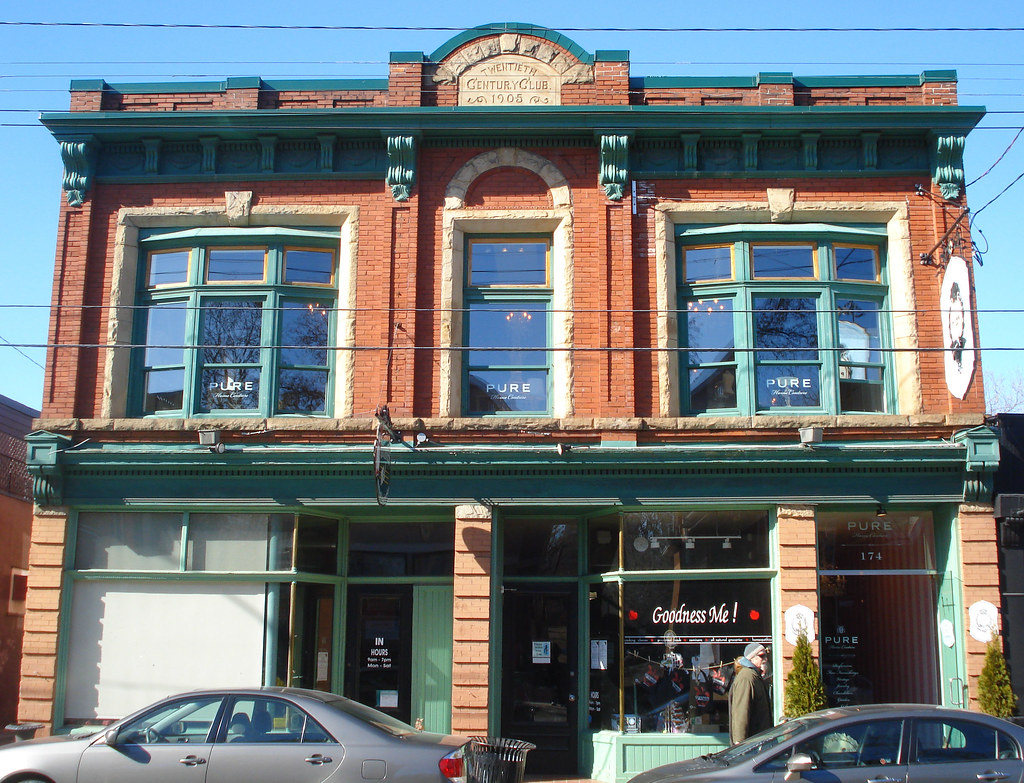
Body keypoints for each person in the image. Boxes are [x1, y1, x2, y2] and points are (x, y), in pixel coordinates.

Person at [728, 642, 772, 744]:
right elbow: (741, 713)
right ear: (751, 658)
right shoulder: (746, 677)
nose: (765, 659)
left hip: (759, 744)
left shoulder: (755, 677)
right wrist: (740, 744)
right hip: (751, 747)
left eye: (766, 655)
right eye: (761, 656)